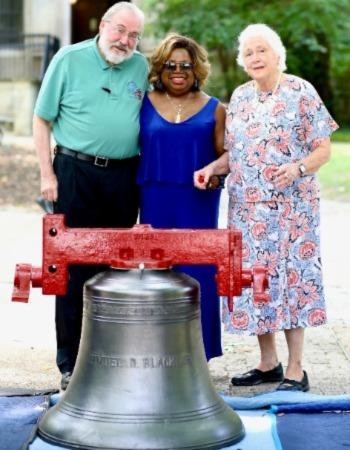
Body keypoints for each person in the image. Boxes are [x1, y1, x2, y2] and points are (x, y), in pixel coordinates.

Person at [194, 23, 338, 391]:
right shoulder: (240, 98)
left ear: (277, 55)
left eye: (262, 50)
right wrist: (211, 169)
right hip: (247, 209)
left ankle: (296, 368)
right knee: (256, 281)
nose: (255, 58)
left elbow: (323, 148)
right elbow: (235, 154)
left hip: (292, 210)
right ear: (243, 62)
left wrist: (298, 168)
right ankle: (268, 362)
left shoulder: (301, 92)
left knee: (292, 281)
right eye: (249, 53)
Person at [33, 2, 148, 390]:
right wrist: (47, 174)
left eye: (134, 35)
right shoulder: (69, 59)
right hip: (74, 173)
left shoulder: (141, 67)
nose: (126, 41)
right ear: (104, 26)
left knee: (115, 269)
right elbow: (41, 118)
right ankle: (70, 363)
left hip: (124, 177)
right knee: (72, 269)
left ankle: (108, 357)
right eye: (120, 31)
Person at [137, 33, 226, 360]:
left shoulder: (216, 109)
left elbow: (226, 156)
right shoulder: (143, 103)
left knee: (198, 274)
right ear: (160, 69)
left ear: (196, 69)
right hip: (154, 198)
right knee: (158, 274)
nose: (178, 71)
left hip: (198, 203)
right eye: (171, 65)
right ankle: (158, 354)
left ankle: (198, 357)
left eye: (186, 65)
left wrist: (216, 173)